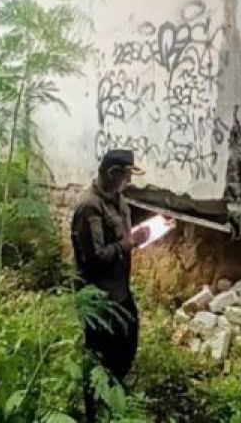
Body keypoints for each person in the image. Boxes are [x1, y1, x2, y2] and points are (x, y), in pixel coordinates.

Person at [70, 149, 150, 421]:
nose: (129, 182)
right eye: (127, 176)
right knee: (98, 356)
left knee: (127, 343)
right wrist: (128, 243)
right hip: (99, 298)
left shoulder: (118, 199)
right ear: (113, 174)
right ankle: (95, 411)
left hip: (119, 292)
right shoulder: (89, 207)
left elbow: (123, 231)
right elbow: (94, 258)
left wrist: (149, 229)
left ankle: (114, 396)